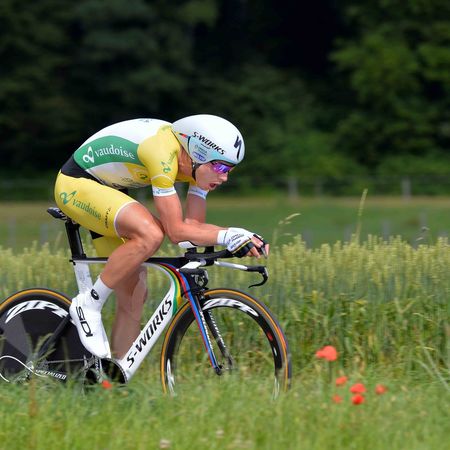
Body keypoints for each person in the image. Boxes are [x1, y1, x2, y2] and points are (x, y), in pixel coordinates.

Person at [54, 115, 268, 359]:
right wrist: (227, 235)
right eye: (221, 167)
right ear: (197, 154)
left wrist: (240, 236)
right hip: (76, 184)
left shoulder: (196, 168)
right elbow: (176, 232)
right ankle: (89, 304)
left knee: (134, 295)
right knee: (151, 233)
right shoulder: (161, 152)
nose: (225, 177)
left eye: (230, 169)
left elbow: (193, 228)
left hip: (109, 190)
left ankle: (113, 376)